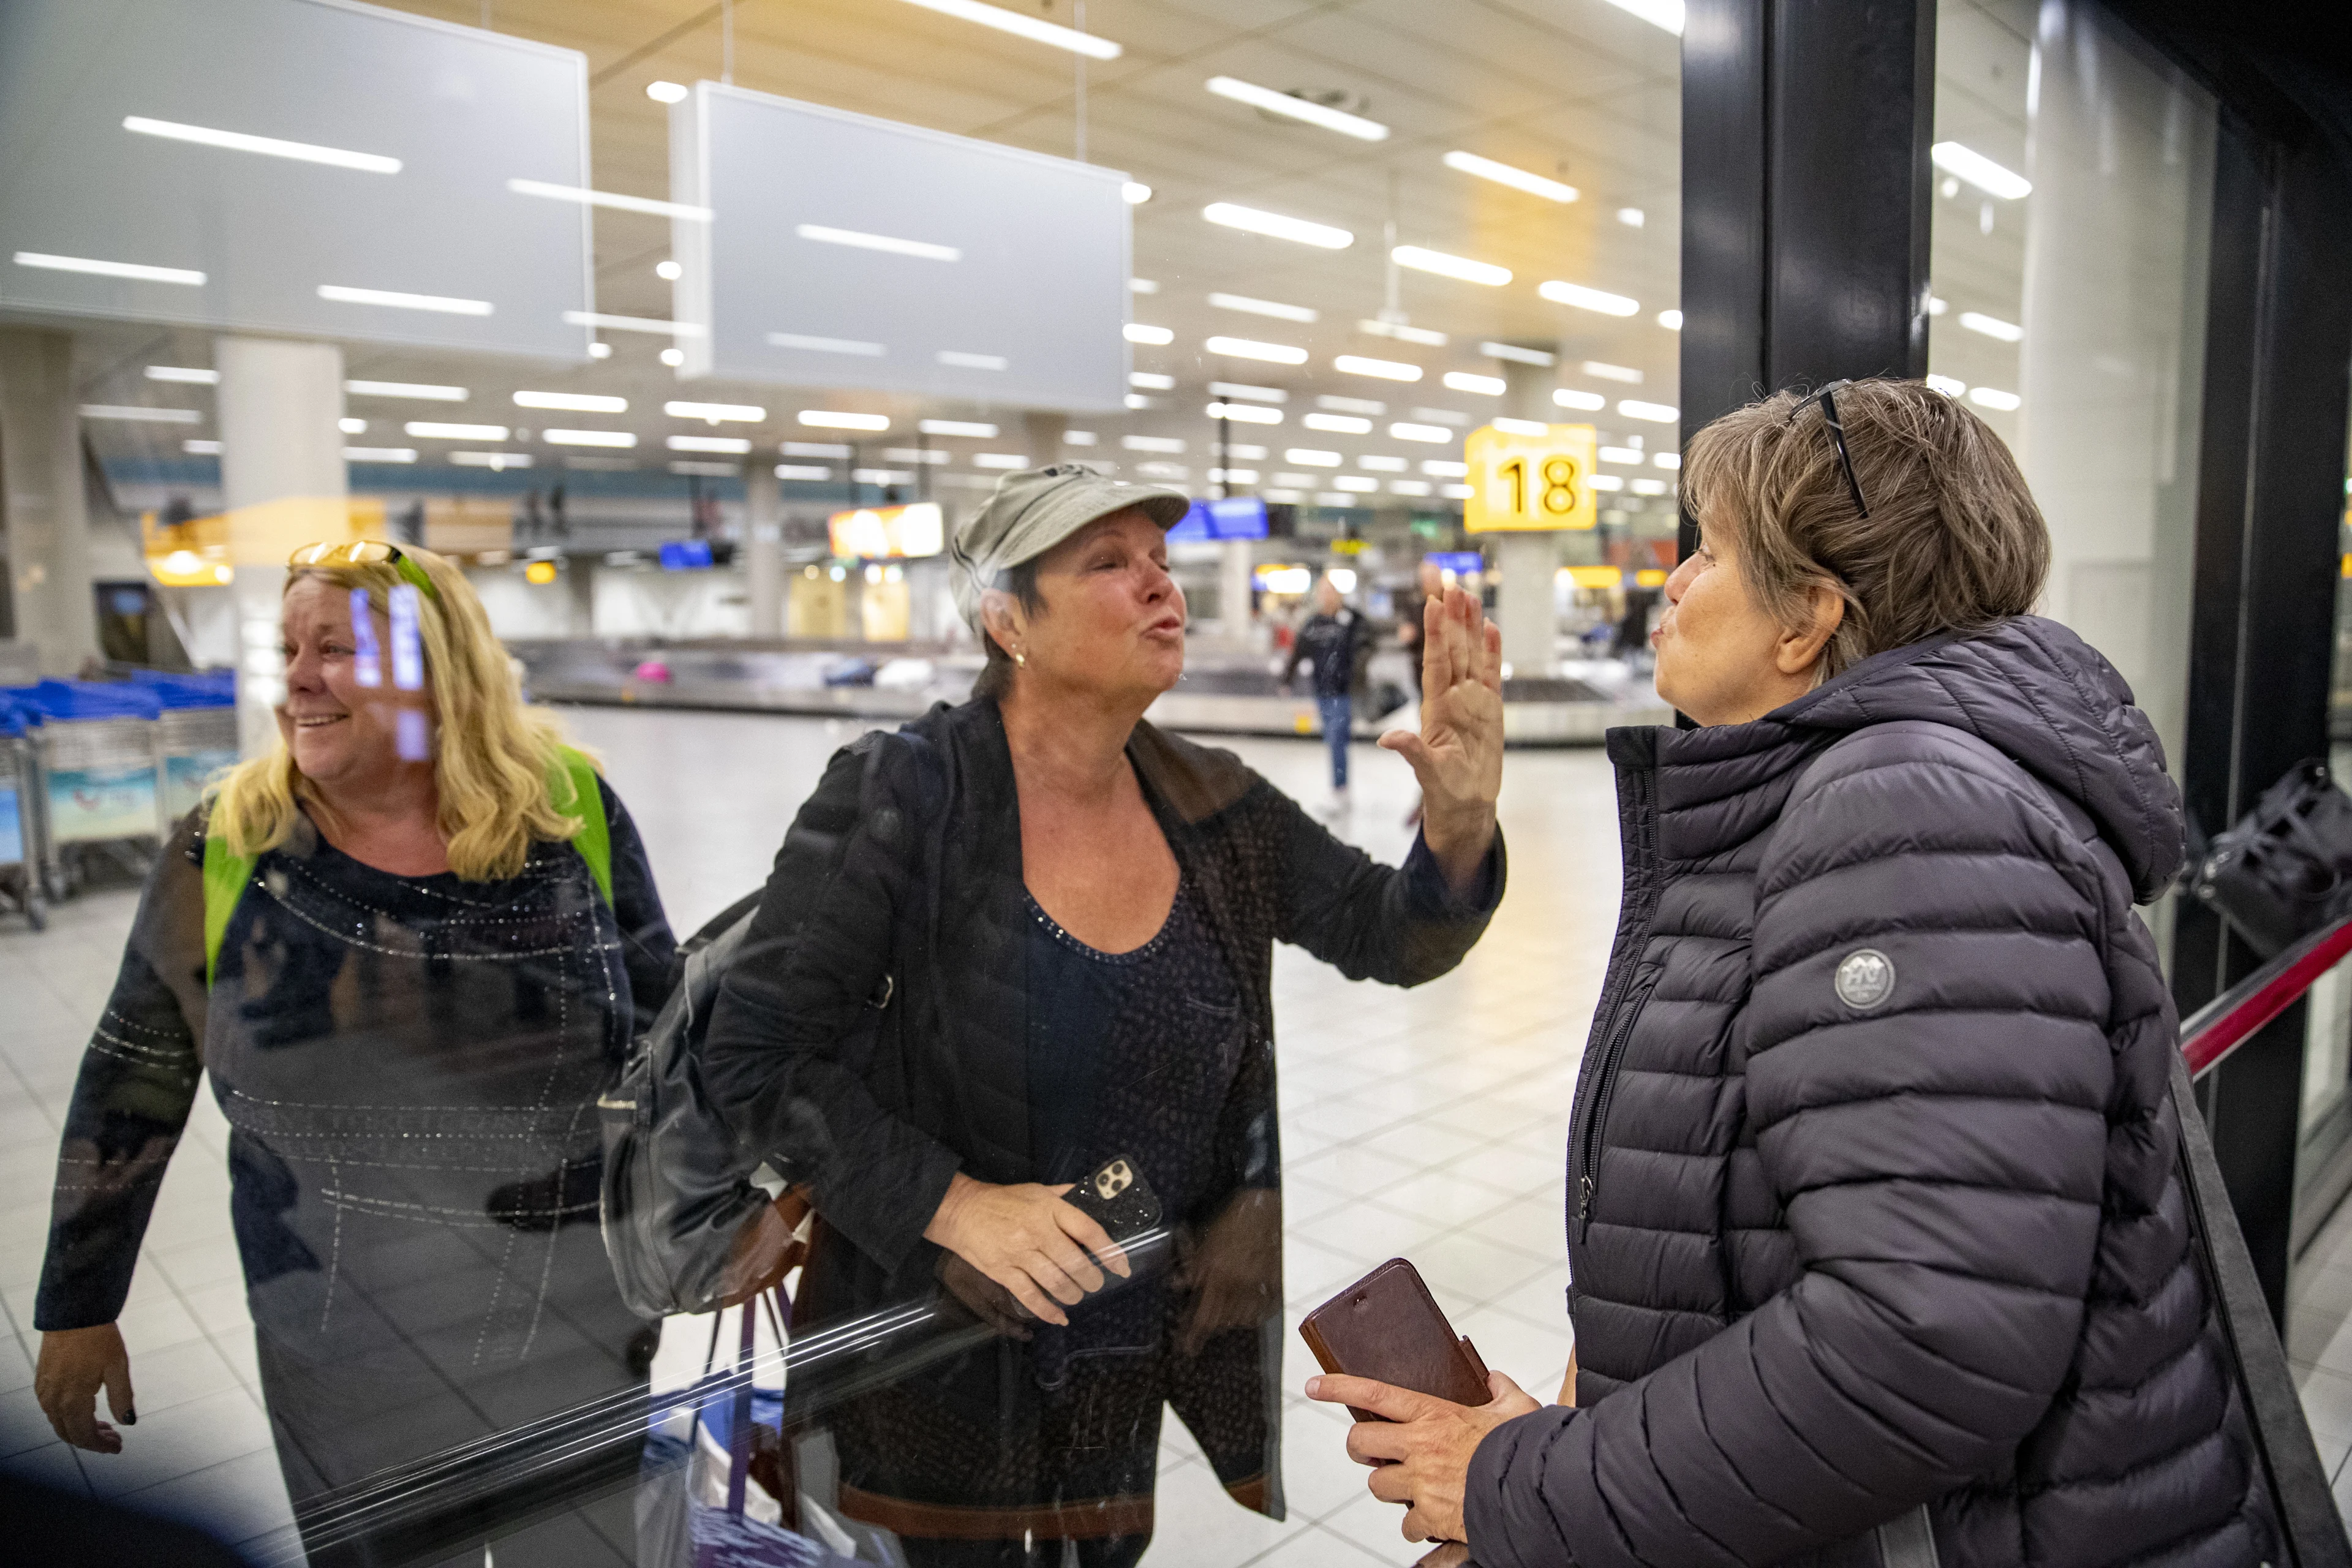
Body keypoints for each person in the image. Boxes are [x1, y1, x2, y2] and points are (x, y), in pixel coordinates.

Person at [1308, 380, 2273, 1565]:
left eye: (1706, 551)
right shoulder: (1848, 798)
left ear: (1807, 617)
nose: (1671, 583)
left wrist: (1525, 1490)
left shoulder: (1911, 815)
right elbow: (1781, 1211)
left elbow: (1925, 1339)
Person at [698, 464, 1507, 1566]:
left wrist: (1458, 826)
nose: (1160, 588)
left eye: (1164, 563)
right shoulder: (905, 795)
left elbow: (1390, 934)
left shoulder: (1213, 805)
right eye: (1109, 564)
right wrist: (957, 1203)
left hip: (1122, 1363)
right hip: (937, 1361)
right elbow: (754, 1058)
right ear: (1006, 617)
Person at [33, 541, 676, 1567]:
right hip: (339, 1326)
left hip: (567, 1313)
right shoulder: (234, 839)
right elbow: (138, 1067)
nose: (296, 678)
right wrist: (79, 1303)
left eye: (334, 647)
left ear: (432, 663)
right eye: (288, 647)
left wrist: (733, 1209)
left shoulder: (568, 812)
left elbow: (662, 1035)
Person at [1285, 574, 1371, 812]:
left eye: (1330, 592)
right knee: (1333, 739)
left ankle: (1340, 789)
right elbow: (1299, 650)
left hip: (1343, 691)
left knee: (1337, 740)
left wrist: (1357, 670)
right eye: (1323, 593)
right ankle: (1340, 787)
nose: (1327, 597)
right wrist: (1287, 678)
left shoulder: (1351, 620)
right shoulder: (1314, 623)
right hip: (1322, 691)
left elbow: (1367, 642)